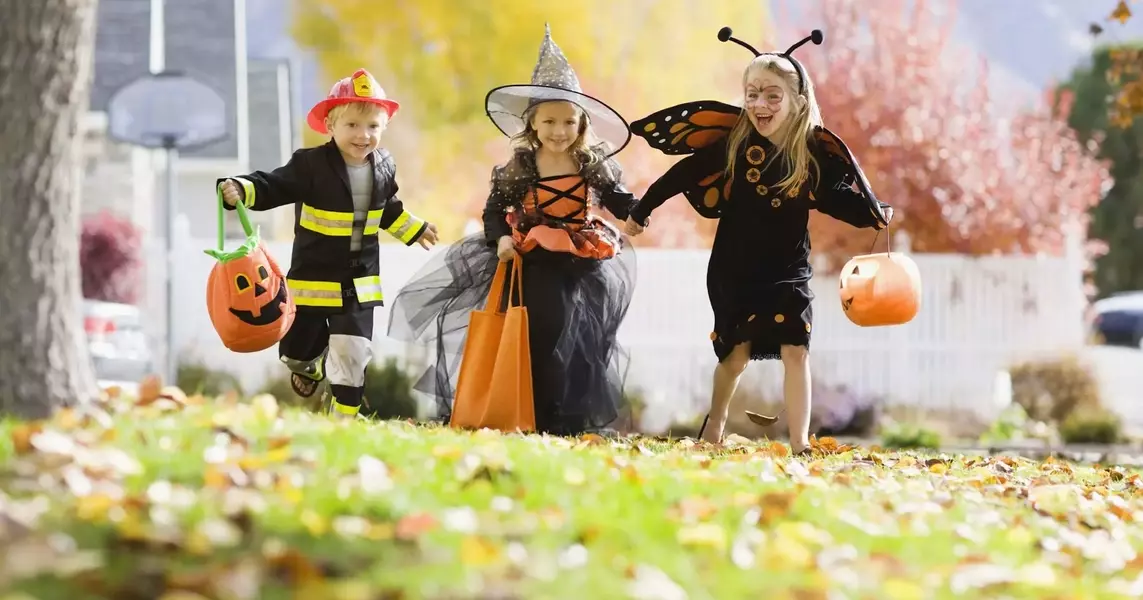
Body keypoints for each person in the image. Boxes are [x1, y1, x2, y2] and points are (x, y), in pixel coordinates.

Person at [623, 28, 894, 451]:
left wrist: (875, 215)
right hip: (735, 266)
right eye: (752, 93)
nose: (759, 104)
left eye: (772, 95)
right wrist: (643, 209)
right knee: (735, 356)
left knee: (796, 349)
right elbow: (682, 174)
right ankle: (713, 427)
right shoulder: (734, 146)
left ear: (798, 103)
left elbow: (836, 201)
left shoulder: (810, 155)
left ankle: (801, 441)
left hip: (788, 268)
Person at [388, 24, 639, 436]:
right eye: (550, 122)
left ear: (581, 125)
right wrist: (501, 237)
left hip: (580, 261)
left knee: (579, 340)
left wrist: (634, 213)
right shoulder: (521, 167)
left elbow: (617, 197)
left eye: (569, 122)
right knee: (540, 331)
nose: (559, 131)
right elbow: (494, 210)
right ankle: (531, 412)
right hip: (533, 260)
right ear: (532, 124)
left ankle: (563, 421)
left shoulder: (591, 163)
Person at [218, 68, 438, 419]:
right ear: (331, 126)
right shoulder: (310, 165)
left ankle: (344, 419)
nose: (363, 136)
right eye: (352, 125)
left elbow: (388, 210)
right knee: (295, 351)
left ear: (383, 129)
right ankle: (309, 367)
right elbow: (276, 185)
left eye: (373, 127)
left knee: (353, 351)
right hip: (312, 279)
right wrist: (243, 189)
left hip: (358, 283)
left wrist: (416, 229)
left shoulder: (384, 167)